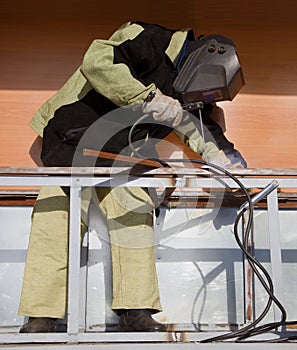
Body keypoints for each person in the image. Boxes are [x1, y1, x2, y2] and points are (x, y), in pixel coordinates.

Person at [18, 20, 247, 333]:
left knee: (136, 211)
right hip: (70, 140)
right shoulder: (147, 40)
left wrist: (226, 161)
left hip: (122, 158)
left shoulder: (187, 89)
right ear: (202, 60)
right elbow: (97, 61)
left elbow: (201, 126)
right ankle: (41, 315)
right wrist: (149, 98)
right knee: (55, 216)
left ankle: (135, 311)